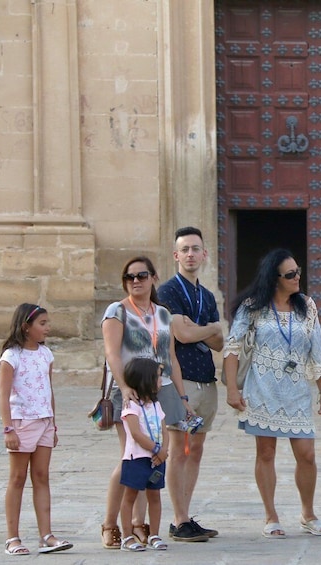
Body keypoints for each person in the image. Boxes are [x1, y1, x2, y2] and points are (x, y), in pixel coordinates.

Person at [223, 248, 321, 539]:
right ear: (274, 278)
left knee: (307, 454)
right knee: (266, 452)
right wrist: (233, 389)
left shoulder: (307, 307)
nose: (298, 277)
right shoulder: (253, 307)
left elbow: (317, 351)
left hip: (297, 389)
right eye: (290, 274)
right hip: (262, 387)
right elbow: (232, 348)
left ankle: (308, 514)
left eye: (298, 272)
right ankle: (271, 516)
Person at [100, 256, 193, 548]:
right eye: (129, 277)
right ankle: (109, 524)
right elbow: (112, 353)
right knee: (131, 458)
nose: (135, 281)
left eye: (141, 275)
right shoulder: (117, 311)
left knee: (152, 460)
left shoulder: (163, 314)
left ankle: (140, 525)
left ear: (153, 277)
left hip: (161, 390)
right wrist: (125, 387)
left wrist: (182, 396)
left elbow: (171, 358)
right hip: (130, 390)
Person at [158, 227, 223, 542]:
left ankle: (185, 515)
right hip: (179, 381)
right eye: (185, 249)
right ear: (176, 255)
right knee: (179, 450)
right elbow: (180, 335)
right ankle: (179, 519)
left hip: (207, 381)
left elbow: (220, 342)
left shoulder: (207, 296)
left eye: (196, 249)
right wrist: (207, 328)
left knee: (196, 449)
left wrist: (202, 328)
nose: (191, 255)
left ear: (204, 254)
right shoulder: (168, 291)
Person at [0, 304, 74, 555]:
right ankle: (12, 538)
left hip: (43, 422)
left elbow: (48, 389)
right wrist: (8, 429)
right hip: (21, 423)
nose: (48, 328)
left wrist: (52, 424)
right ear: (26, 327)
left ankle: (46, 535)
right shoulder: (12, 356)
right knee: (18, 478)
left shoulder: (46, 354)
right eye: (42, 323)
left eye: (47, 323)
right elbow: (3, 394)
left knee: (41, 477)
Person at [119, 358, 170, 552]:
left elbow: (164, 430)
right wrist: (157, 449)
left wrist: (164, 450)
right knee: (130, 496)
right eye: (157, 377)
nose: (160, 381)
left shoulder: (156, 405)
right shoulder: (131, 406)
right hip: (137, 458)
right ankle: (127, 536)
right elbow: (136, 434)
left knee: (155, 495)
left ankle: (154, 533)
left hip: (157, 459)